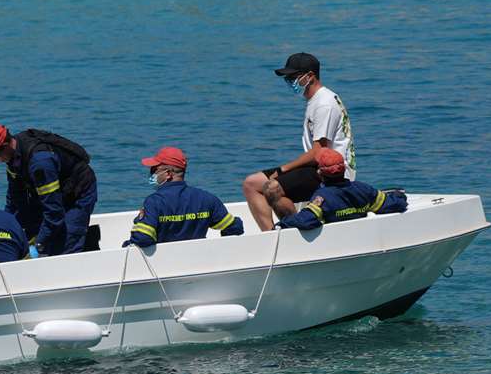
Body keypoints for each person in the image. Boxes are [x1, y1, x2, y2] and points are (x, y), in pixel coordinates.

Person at [242, 51, 356, 232]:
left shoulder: (324, 103)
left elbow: (319, 152)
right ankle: (270, 236)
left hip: (332, 171)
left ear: (310, 76)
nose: (289, 82)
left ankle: (296, 230)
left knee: (272, 189)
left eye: (293, 77)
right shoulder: (315, 101)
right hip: (315, 166)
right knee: (251, 184)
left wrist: (283, 170)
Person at [0, 123, 99, 256]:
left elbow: (54, 212)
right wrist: (5, 230)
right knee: (29, 228)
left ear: (6, 146)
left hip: (79, 193)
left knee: (67, 244)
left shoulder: (40, 163)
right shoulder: (13, 159)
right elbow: (14, 201)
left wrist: (39, 245)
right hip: (53, 192)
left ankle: (85, 246)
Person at [125, 146, 243, 250]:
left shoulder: (154, 202)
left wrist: (134, 230)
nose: (152, 174)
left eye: (154, 170)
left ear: (168, 174)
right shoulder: (207, 199)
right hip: (199, 260)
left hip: (164, 264)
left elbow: (143, 238)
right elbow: (235, 227)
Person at [276, 148, 406, 231]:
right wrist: (399, 195)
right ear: (343, 170)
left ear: (320, 174)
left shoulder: (322, 197)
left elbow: (305, 221)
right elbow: (395, 204)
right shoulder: (363, 189)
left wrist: (282, 223)